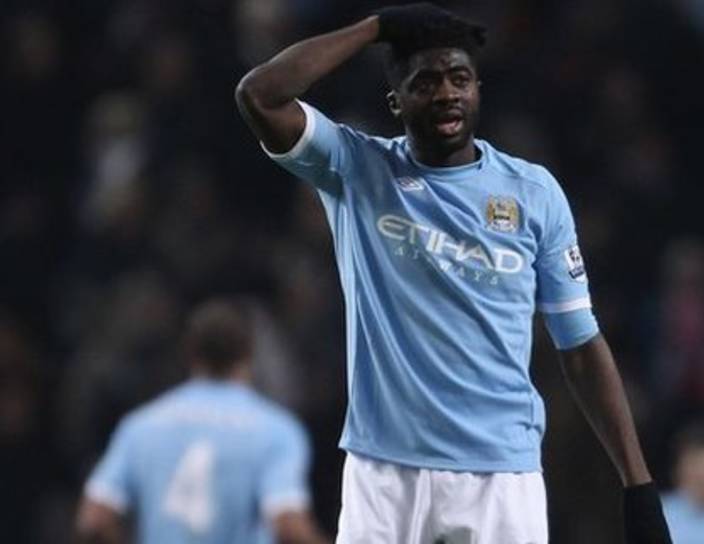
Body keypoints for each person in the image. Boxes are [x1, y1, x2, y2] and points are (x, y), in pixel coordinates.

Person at [236, 3, 671, 543]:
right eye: (425, 82)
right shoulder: (356, 168)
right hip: (384, 471)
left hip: (500, 474)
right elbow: (260, 94)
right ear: (395, 101)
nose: (446, 93)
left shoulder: (533, 195)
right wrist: (375, 28)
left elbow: (580, 346)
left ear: (478, 89)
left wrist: (638, 484)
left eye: (460, 78)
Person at [75, 298, 328, 544]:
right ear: (249, 353)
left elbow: (94, 520)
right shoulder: (276, 431)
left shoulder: (141, 425)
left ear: (189, 352)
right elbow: (288, 527)